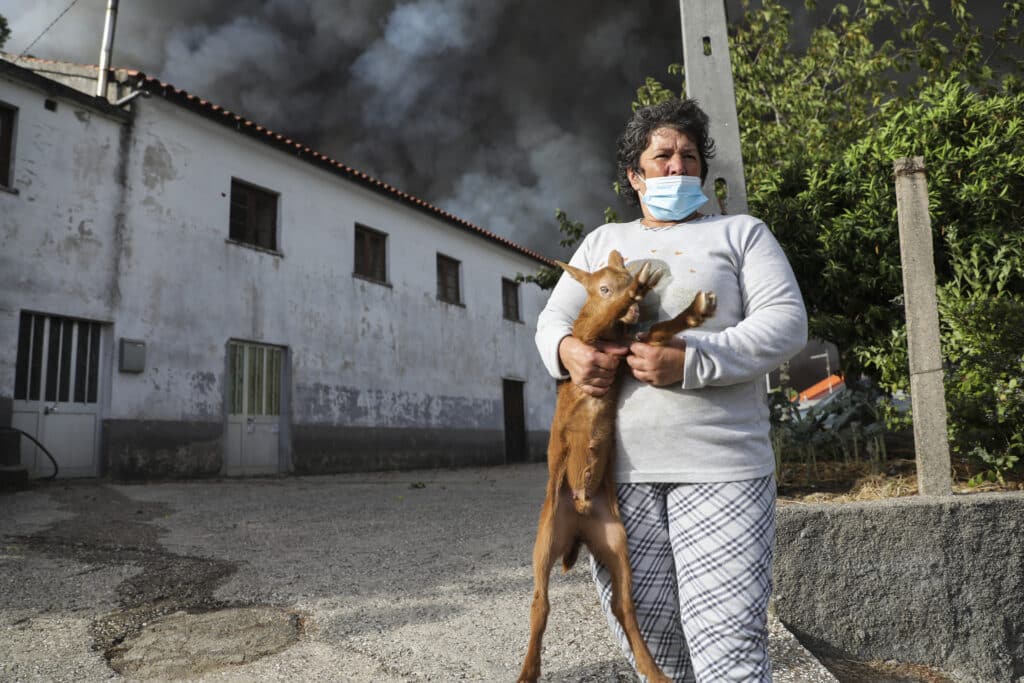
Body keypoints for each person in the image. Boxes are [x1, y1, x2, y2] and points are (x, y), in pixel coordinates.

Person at [534, 97, 807, 682]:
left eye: (689, 157)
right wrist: (570, 353)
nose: (678, 167)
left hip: (722, 469)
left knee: (728, 647)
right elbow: (552, 323)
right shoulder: (602, 241)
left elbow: (785, 323)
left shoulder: (741, 234)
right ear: (634, 176)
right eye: (662, 157)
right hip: (616, 480)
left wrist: (691, 362)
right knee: (652, 650)